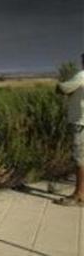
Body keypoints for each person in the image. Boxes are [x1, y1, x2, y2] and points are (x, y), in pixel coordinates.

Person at [55, 53, 84, 206]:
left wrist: (60, 83)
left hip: (81, 124)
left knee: (80, 160)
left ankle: (79, 195)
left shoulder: (81, 75)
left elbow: (62, 89)